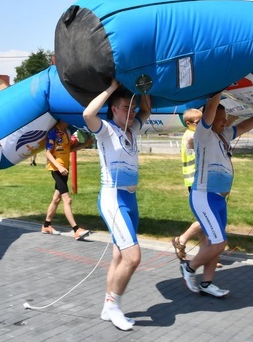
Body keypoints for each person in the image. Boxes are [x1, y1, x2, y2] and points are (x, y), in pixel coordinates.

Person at [180, 91, 253, 297]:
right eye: (220, 119)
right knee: (220, 242)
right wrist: (218, 91)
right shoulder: (203, 134)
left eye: (225, 119)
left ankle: (207, 283)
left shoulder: (225, 134)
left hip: (219, 199)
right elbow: (210, 111)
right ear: (209, 121)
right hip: (204, 196)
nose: (224, 122)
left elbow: (245, 126)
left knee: (214, 244)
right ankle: (189, 268)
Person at [83, 79, 151, 331]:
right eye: (125, 107)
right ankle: (114, 306)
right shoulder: (106, 129)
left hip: (130, 199)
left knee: (118, 256)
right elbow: (88, 113)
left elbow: (147, 111)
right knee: (132, 258)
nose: (131, 112)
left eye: (131, 108)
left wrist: (142, 91)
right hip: (113, 199)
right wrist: (112, 88)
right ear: (113, 109)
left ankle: (106, 306)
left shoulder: (132, 128)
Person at [41, 119, 93, 240]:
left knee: (56, 199)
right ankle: (76, 230)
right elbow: (47, 152)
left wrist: (85, 144)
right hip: (56, 169)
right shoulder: (53, 132)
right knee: (67, 200)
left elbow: (69, 149)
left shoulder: (67, 132)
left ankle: (46, 226)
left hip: (65, 169)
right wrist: (58, 167)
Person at [171, 108, 205, 261]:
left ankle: (206, 255)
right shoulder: (191, 135)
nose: (202, 125)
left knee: (203, 219)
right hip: (195, 181)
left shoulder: (194, 132)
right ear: (188, 123)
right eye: (198, 122)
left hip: (198, 180)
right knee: (206, 218)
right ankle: (182, 240)